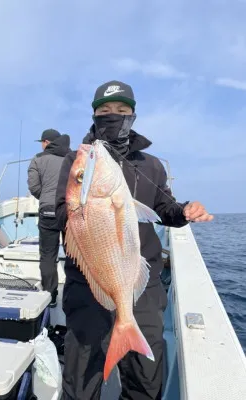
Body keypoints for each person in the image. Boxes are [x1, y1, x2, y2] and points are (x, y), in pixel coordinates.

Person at [55, 80, 214, 400]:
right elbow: (61, 211)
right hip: (88, 283)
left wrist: (184, 211)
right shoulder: (78, 159)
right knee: (81, 375)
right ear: (94, 115)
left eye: (121, 110)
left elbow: (164, 209)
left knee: (144, 375)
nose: (113, 115)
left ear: (133, 115)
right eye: (105, 110)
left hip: (141, 284)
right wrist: (84, 209)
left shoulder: (150, 165)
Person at [28, 129, 71, 307]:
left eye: (42, 142)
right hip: (70, 211)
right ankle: (74, 296)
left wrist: (46, 197)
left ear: (46, 142)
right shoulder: (72, 158)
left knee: (47, 255)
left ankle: (50, 296)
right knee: (73, 255)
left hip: (47, 211)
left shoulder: (38, 159)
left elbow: (34, 187)